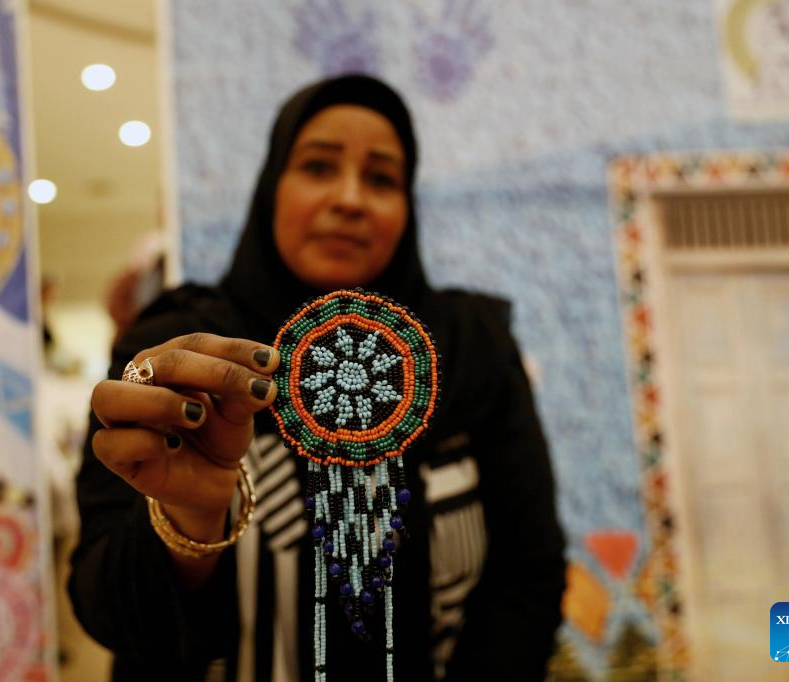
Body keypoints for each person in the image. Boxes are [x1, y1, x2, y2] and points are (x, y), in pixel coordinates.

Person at [70, 74, 566, 681]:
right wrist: (188, 525)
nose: (350, 199)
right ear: (272, 187)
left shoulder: (469, 348)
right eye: (318, 167)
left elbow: (528, 571)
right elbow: (108, 610)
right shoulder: (184, 355)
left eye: (381, 179)